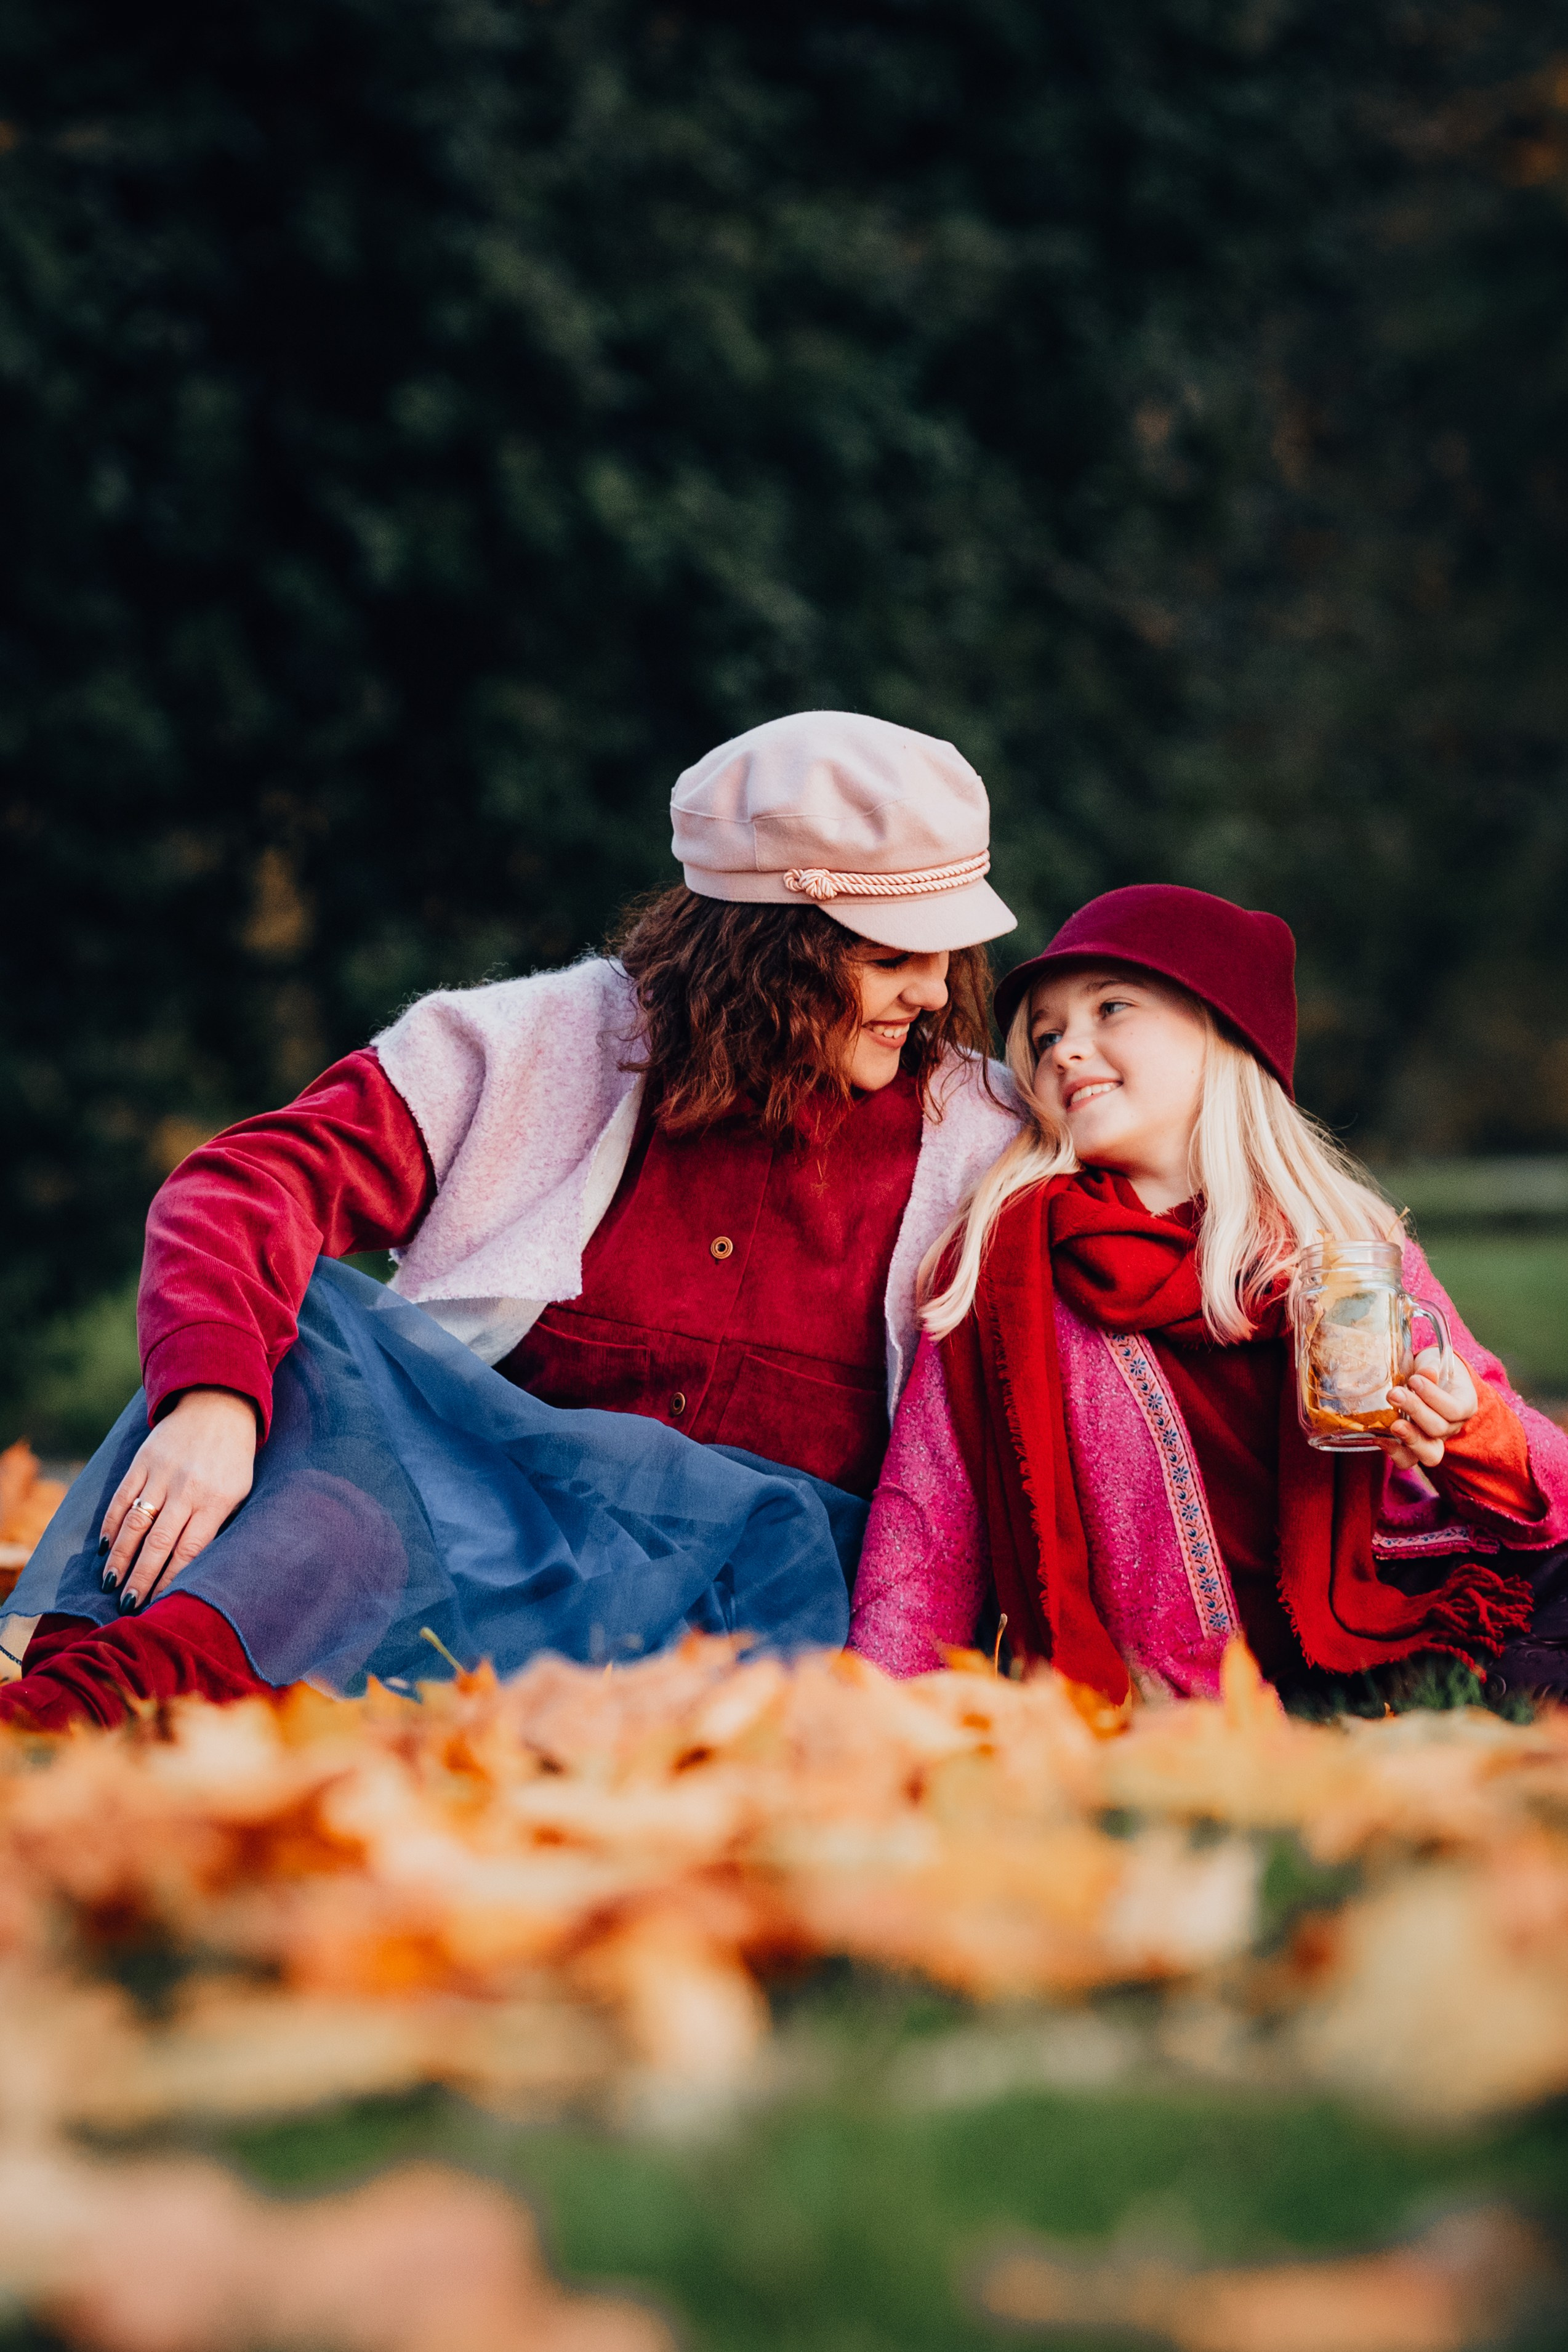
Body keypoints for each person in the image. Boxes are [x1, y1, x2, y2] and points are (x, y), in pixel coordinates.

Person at [2, 711, 1021, 1727]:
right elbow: (248, 1185)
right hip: (468, 1547)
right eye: (893, 960)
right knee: (309, 1422)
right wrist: (212, 1405)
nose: (932, 995)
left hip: (763, 1613)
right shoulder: (532, 1044)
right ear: (775, 951)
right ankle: (61, 1722)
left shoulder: (982, 1135)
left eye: (947, 956)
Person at [849, 884, 1568, 1701]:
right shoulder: (1004, 1265)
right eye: (1045, 1037)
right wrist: (880, 1701)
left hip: (1383, 1609)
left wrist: (1464, 1426)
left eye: (1110, 1008)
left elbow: (1547, 1492)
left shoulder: (1342, 1245)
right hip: (1184, 1667)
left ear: (1227, 1031)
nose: (1064, 1051)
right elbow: (928, 1521)